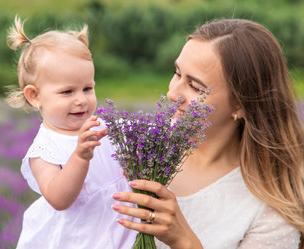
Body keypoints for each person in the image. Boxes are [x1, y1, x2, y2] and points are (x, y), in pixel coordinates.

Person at [111, 19, 304, 249]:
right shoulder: (134, 147)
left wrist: (184, 241)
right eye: (177, 73)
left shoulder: (270, 209)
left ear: (240, 105)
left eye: (195, 87)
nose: (173, 94)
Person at [6, 17, 137, 248]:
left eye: (87, 88)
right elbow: (59, 199)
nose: (81, 100)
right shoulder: (44, 149)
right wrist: (79, 157)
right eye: (67, 92)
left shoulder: (104, 127)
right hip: (79, 238)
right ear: (34, 96)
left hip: (121, 230)